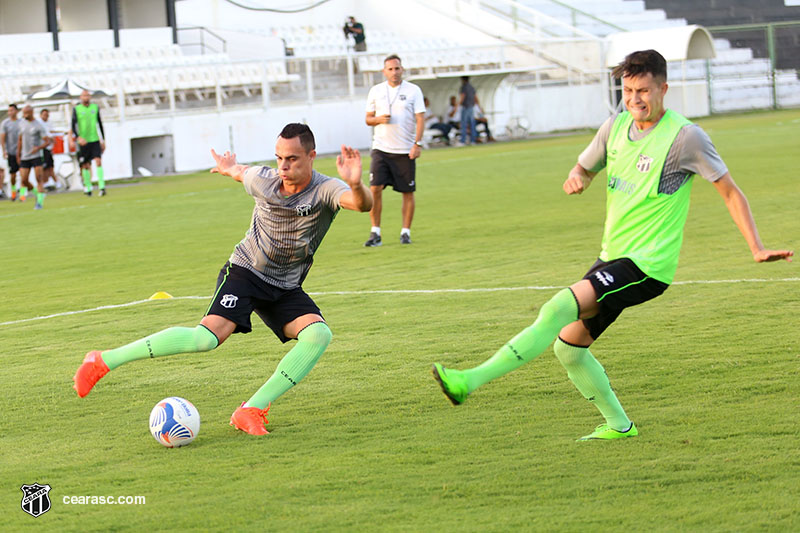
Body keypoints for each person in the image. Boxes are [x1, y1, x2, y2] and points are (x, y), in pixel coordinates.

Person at [432, 49, 793, 441]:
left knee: (555, 307)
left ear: (663, 88)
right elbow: (584, 166)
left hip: (647, 266)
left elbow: (730, 192)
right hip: (612, 257)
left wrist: (756, 247)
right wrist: (579, 178)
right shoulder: (616, 127)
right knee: (569, 348)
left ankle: (468, 380)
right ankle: (621, 427)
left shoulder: (685, 137)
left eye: (643, 90)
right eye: (627, 90)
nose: (635, 99)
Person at [73, 123, 373, 436]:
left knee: (318, 335)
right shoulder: (264, 179)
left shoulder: (326, 189)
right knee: (206, 339)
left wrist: (355, 184)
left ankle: (251, 409)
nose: (283, 166)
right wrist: (228, 167)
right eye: (279, 158)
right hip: (245, 271)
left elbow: (361, 204)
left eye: (292, 159)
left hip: (285, 285)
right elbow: (241, 171)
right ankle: (103, 361)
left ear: (312, 156)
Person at [364, 54, 425, 246]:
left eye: (397, 68)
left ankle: (405, 232)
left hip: (405, 150)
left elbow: (420, 118)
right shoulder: (376, 91)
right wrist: (378, 120)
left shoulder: (413, 90)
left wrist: (418, 144)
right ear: (384, 71)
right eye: (390, 69)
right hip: (381, 148)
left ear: (402, 69)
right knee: (375, 188)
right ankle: (375, 233)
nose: (394, 72)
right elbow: (368, 119)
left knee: (407, 192)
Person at [71, 89, 106, 196]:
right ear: (80, 97)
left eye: (87, 95)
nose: (86, 97)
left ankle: (102, 186)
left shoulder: (94, 107)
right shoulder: (77, 109)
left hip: (94, 139)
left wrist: (103, 139)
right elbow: (73, 126)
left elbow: (99, 123)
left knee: (98, 161)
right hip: (83, 141)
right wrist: (78, 138)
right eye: (84, 96)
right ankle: (88, 187)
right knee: (85, 165)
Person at [17, 105, 51, 210]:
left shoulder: (38, 125)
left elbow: (47, 141)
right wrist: (18, 154)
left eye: (26, 113)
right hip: (25, 156)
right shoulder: (21, 123)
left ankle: (39, 203)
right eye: (23, 113)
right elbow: (20, 140)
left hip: (36, 156)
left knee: (39, 179)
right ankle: (37, 194)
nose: (24, 115)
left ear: (31, 112)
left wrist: (39, 148)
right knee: (24, 180)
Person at [1, 104, 21, 200]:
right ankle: (13, 191)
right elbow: (3, 137)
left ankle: (22, 194)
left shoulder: (21, 122)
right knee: (13, 175)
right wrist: (4, 150)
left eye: (12, 110)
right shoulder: (5, 123)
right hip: (11, 152)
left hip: (22, 153)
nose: (10, 112)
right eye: (9, 111)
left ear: (16, 111)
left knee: (23, 174)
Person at [38, 108, 59, 191]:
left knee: (50, 166)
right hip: (42, 147)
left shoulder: (49, 123)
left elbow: (52, 132)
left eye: (47, 115)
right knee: (44, 167)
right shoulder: (39, 123)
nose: (46, 116)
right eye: (44, 115)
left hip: (49, 148)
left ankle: (52, 182)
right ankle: (44, 183)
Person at [458, 76, 479, 145]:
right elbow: (476, 98)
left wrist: (457, 106)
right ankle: (473, 140)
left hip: (465, 107)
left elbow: (462, 97)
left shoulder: (464, 87)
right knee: (472, 124)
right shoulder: (472, 87)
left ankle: (463, 141)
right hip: (471, 107)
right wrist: (479, 107)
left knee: (464, 124)